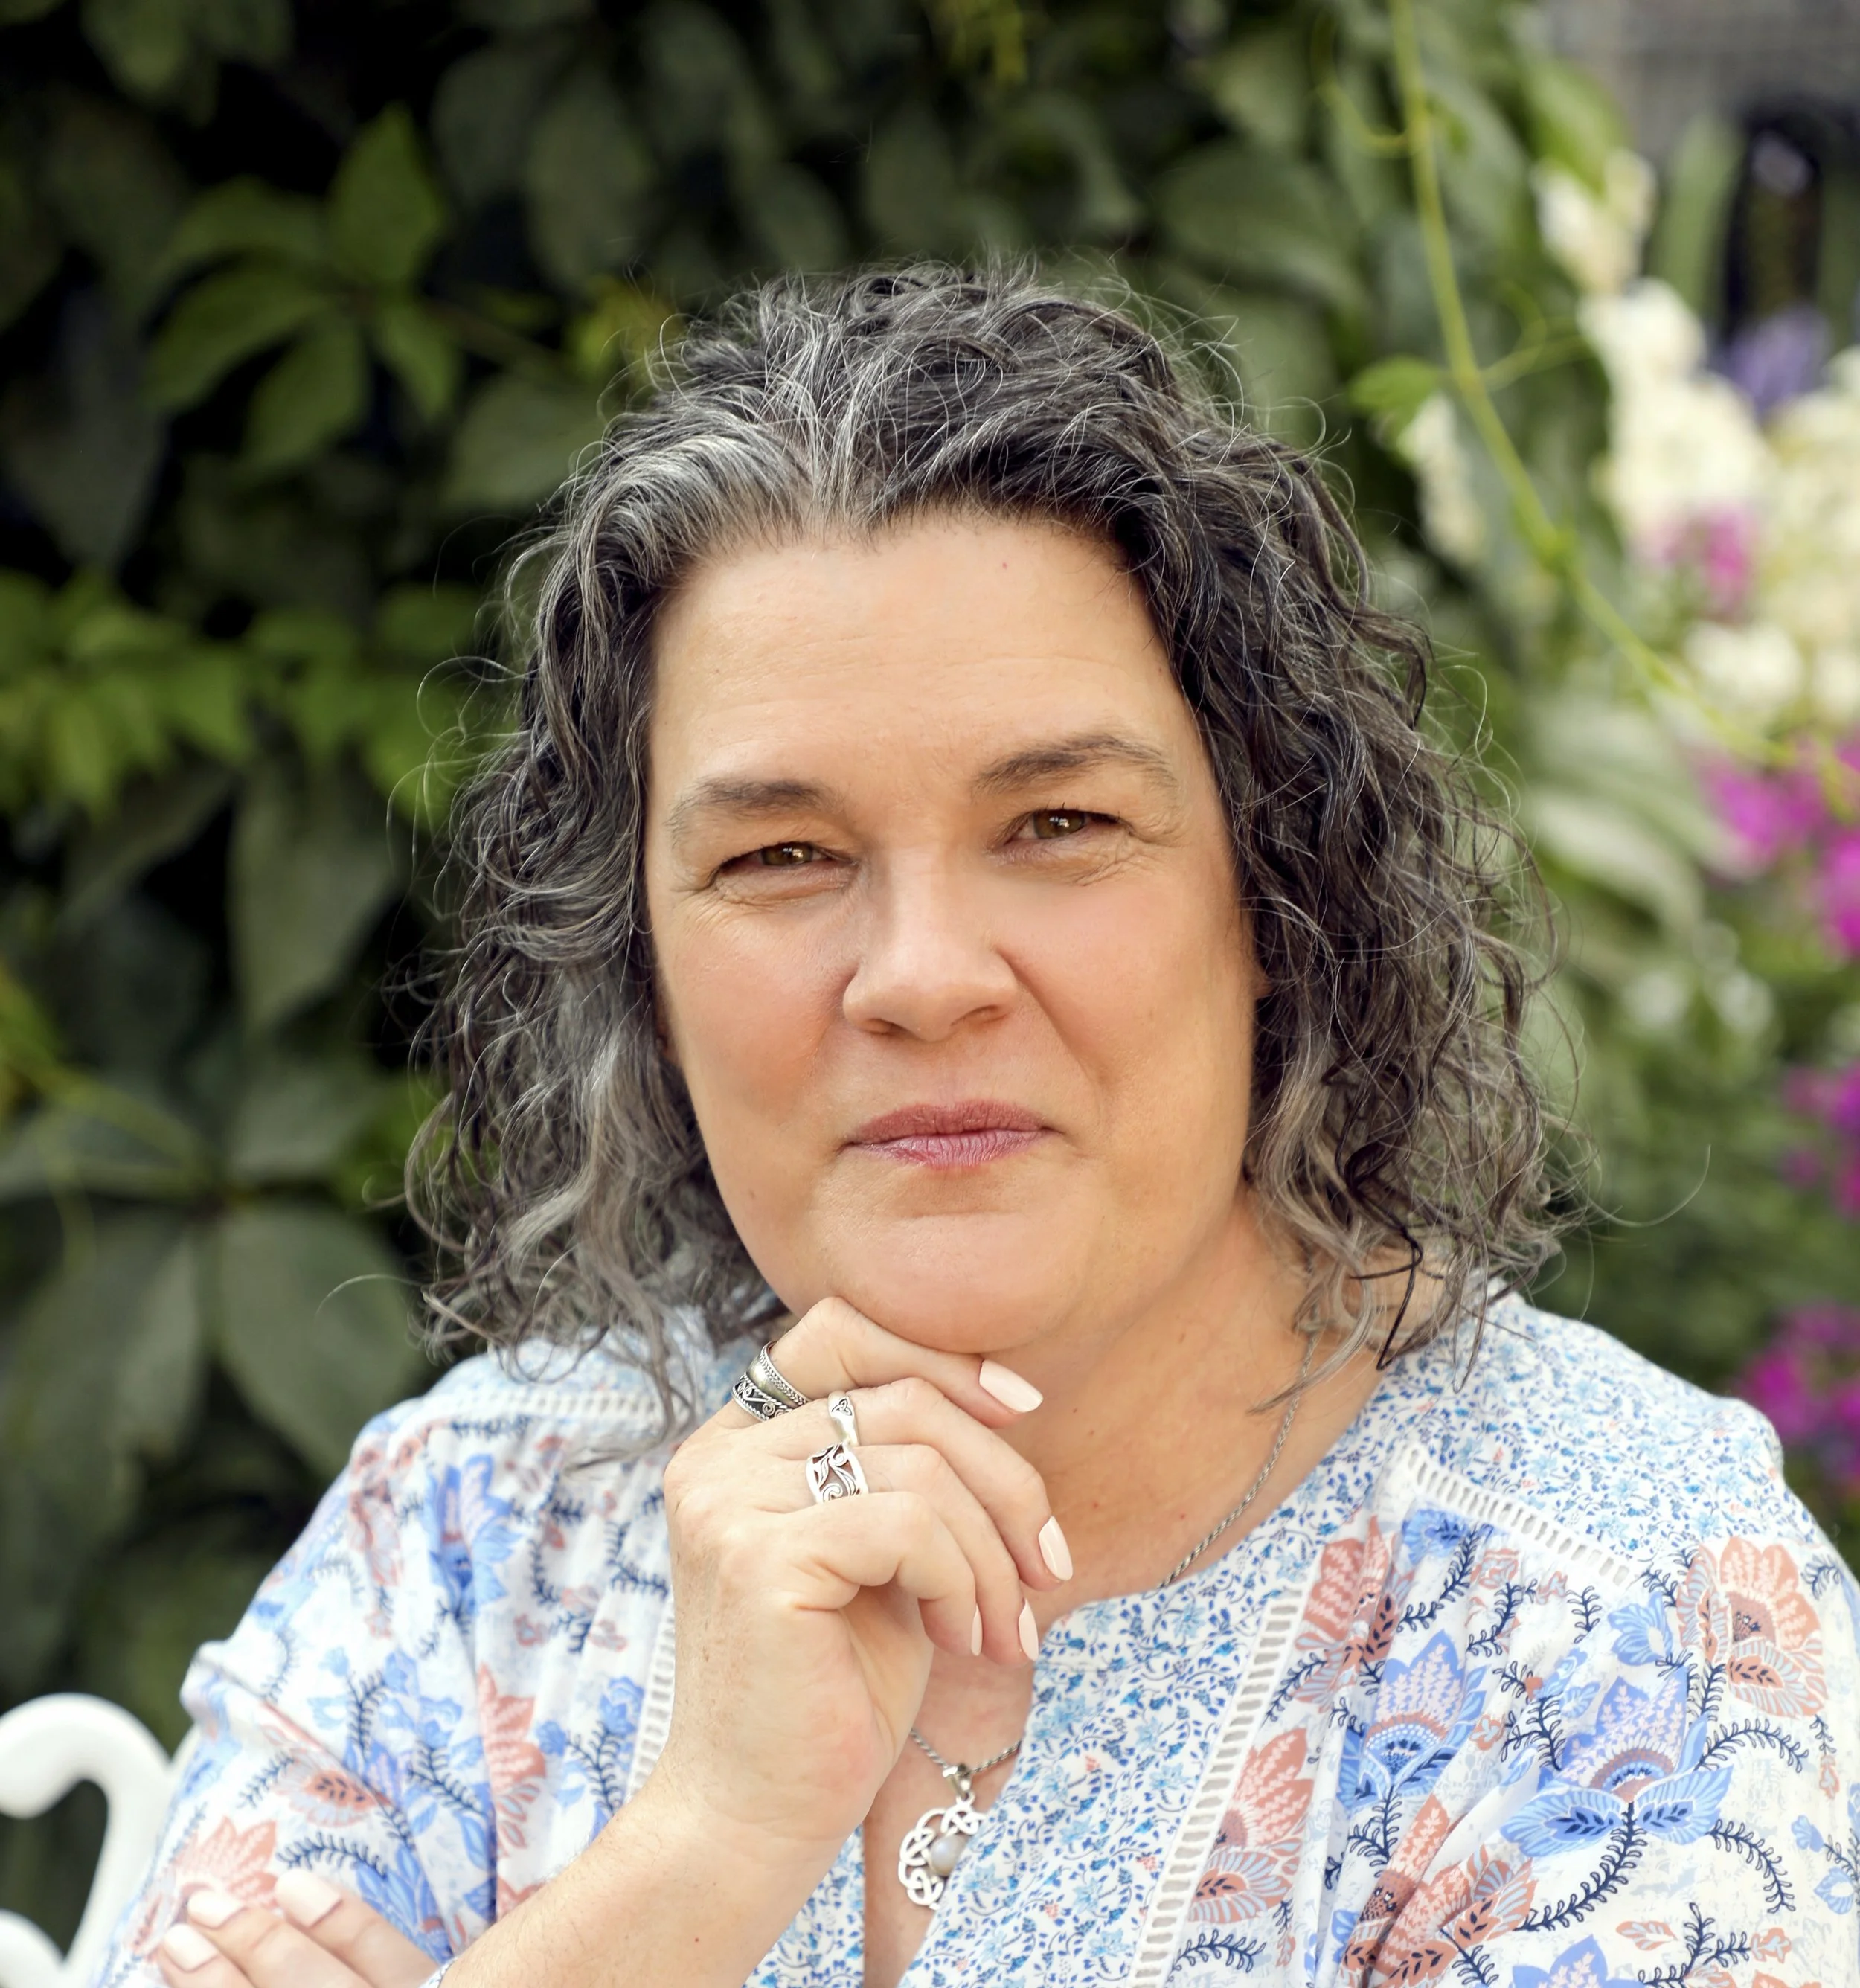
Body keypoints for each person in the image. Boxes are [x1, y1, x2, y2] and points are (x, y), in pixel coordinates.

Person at [103, 266, 1858, 1988]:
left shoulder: (1623, 1622)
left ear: (1274, 896)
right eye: (780, 856)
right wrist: (703, 1848)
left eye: (1057, 824)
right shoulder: (469, 1536)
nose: (921, 978)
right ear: (637, 959)